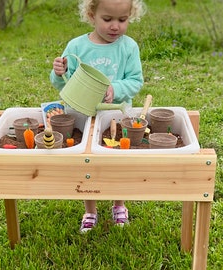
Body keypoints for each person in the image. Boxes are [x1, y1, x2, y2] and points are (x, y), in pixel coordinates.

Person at [50, 0, 146, 233]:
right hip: (83, 115)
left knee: (117, 162)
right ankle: (90, 209)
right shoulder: (77, 46)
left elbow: (135, 81)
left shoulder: (128, 47)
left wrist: (116, 88)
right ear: (92, 16)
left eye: (122, 20)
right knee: (88, 164)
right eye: (108, 19)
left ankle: (118, 204)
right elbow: (63, 83)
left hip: (114, 116)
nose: (115, 26)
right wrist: (57, 72)